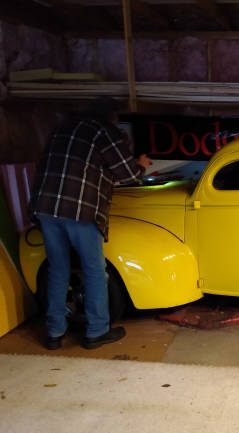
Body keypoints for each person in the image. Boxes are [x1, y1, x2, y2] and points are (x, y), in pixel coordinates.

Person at [30, 99, 151, 350]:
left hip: (45, 207)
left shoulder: (62, 127)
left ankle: (54, 333)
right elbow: (129, 174)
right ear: (112, 116)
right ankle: (96, 332)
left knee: (58, 269)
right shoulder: (104, 131)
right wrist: (141, 165)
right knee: (94, 270)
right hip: (79, 210)